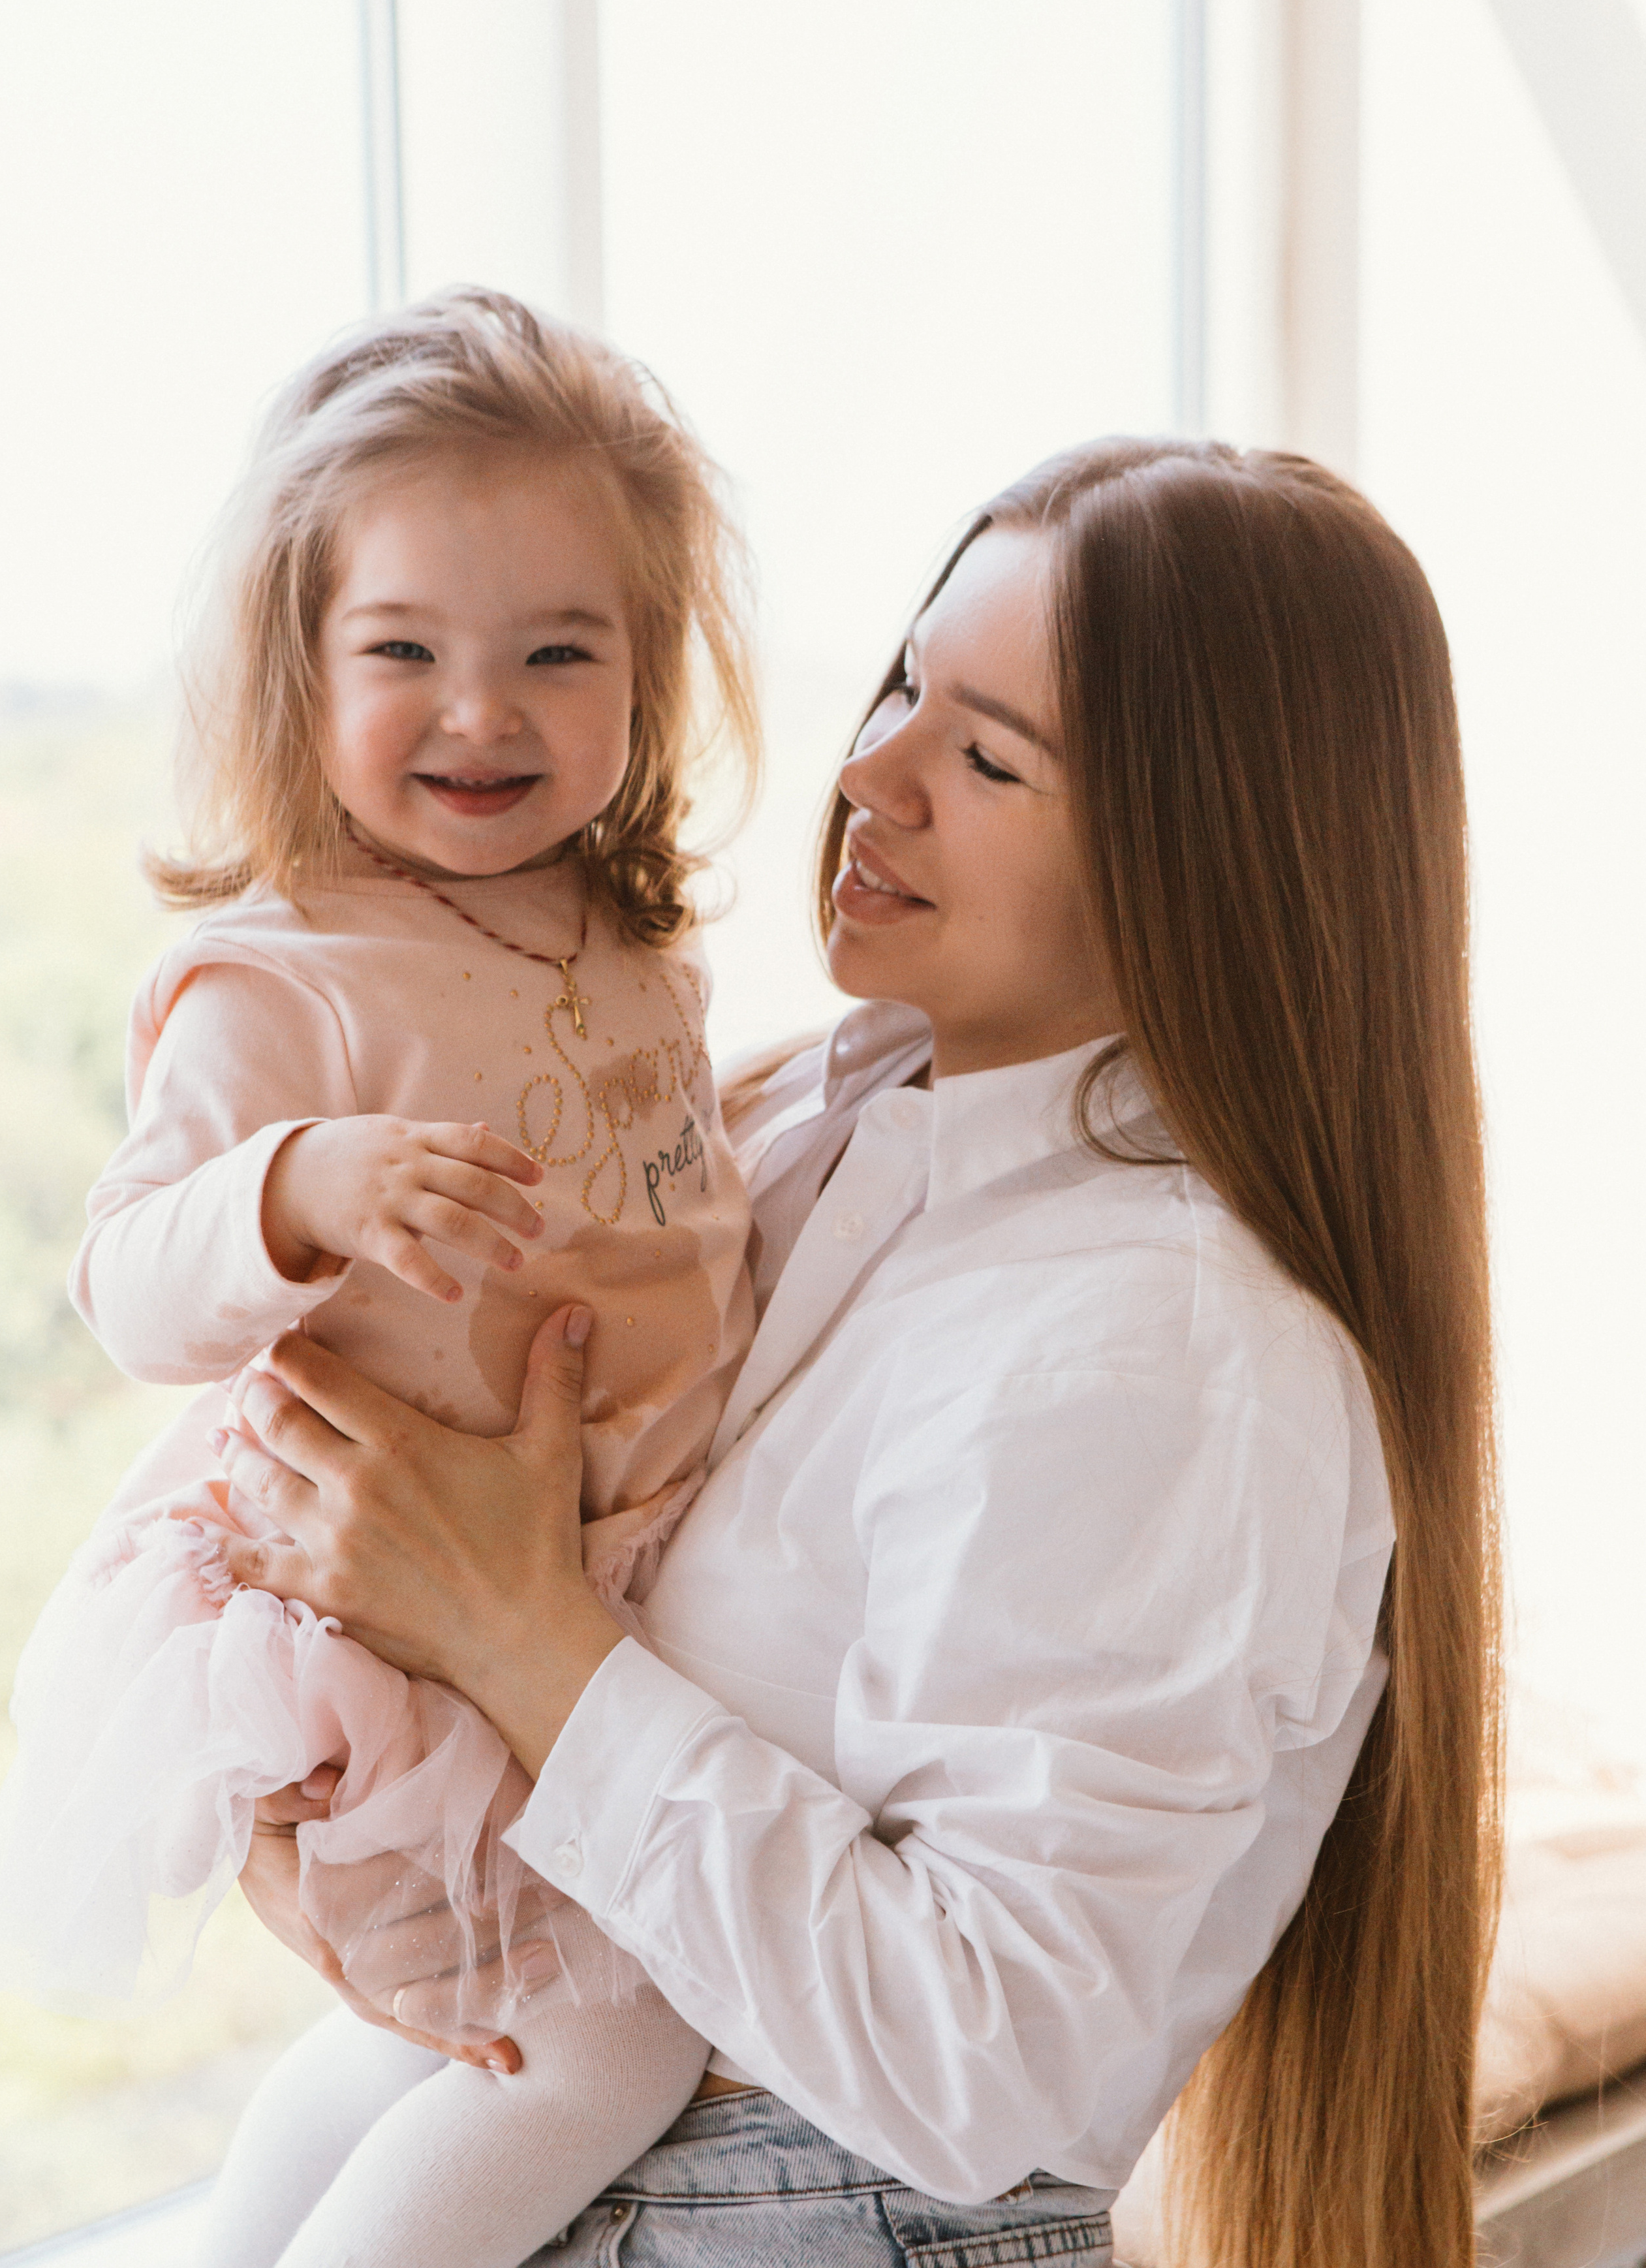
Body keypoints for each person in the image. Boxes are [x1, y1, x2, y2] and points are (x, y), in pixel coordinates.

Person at [215, 439, 1502, 2268]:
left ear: (1197, 864)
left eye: (985, 758)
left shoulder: (1176, 1344)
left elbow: (982, 2055)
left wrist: (522, 1640)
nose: (868, 774)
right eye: (906, 680)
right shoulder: (799, 1125)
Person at [0, 289, 764, 2268]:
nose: (481, 709)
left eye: (555, 652)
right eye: (403, 649)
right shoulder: (290, 973)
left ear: (645, 676)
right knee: (597, 2038)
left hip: (582, 1591)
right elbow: (131, 1287)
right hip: (390, 1631)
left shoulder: (625, 936)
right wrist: (301, 1184)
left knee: (448, 2036)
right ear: (297, 666)